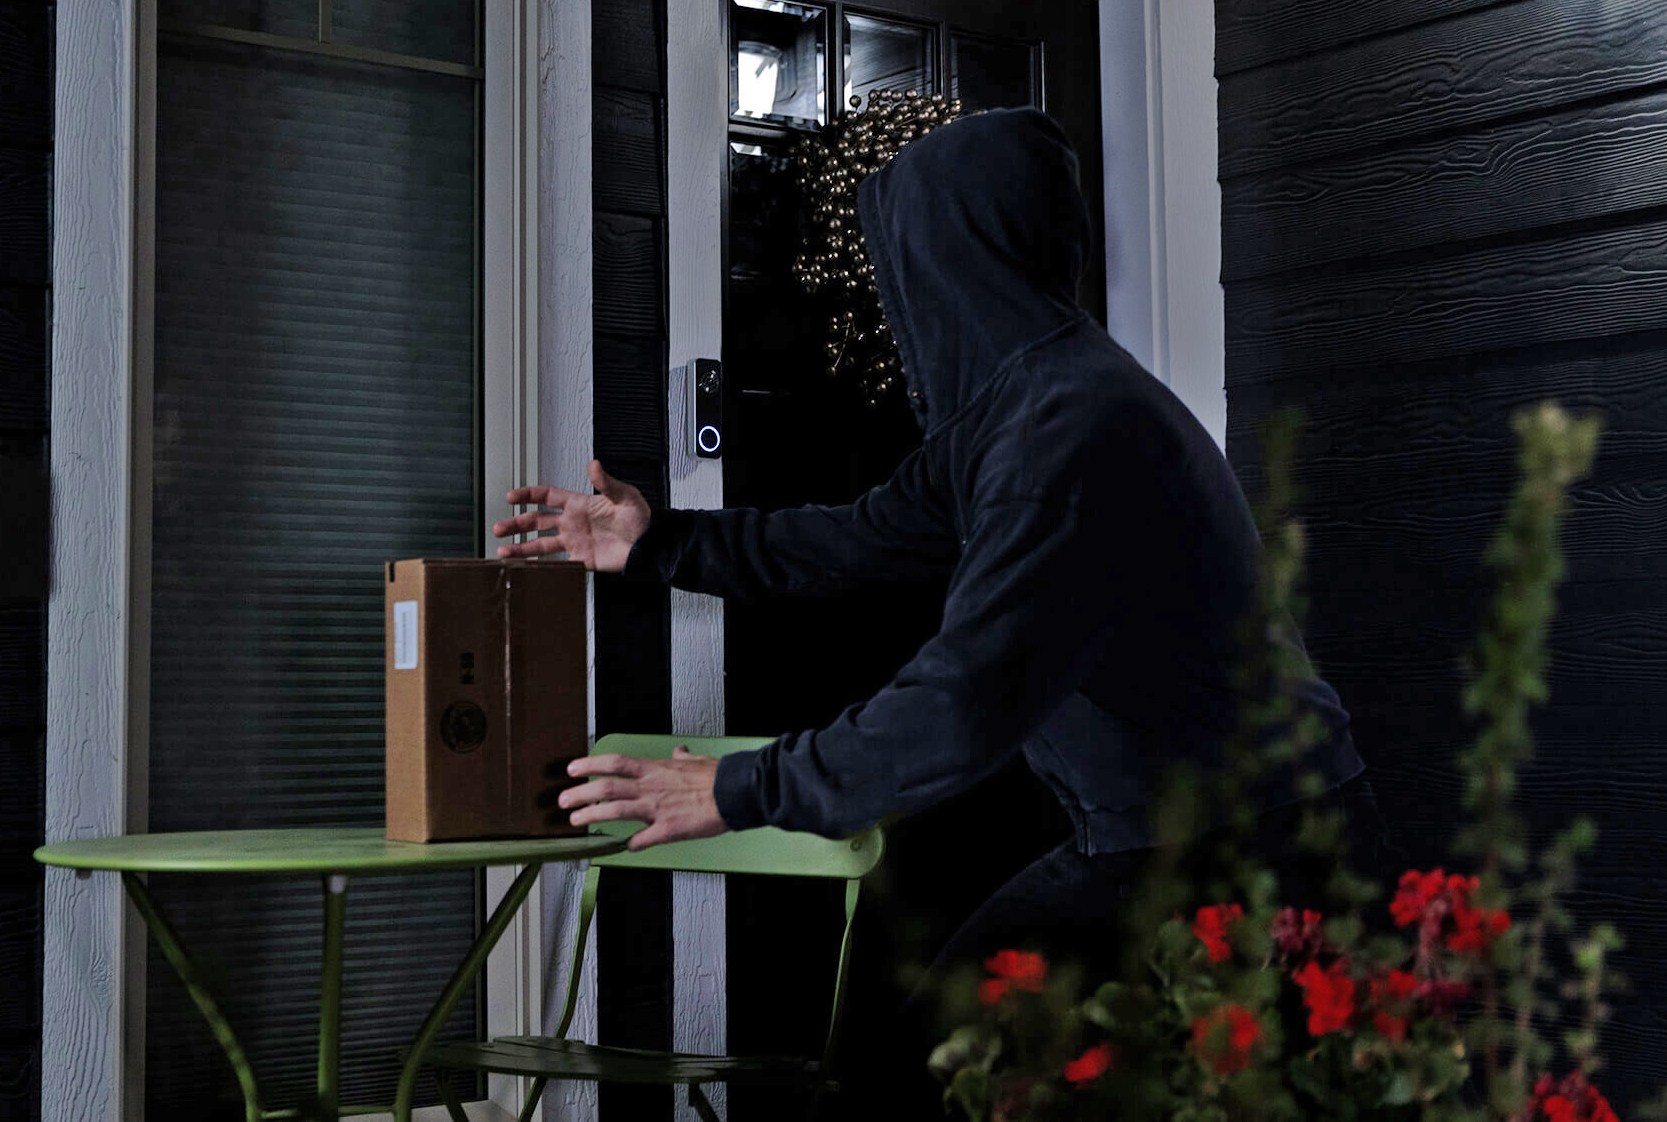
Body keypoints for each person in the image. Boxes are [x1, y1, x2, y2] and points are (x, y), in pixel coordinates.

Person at [493, 107, 1373, 1106]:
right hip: (1146, 838)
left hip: (1260, 847)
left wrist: (739, 790)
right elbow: (854, 539)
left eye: (895, 267)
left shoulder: (1069, 432)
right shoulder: (1013, 416)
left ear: (951, 260)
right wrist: (658, 544)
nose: (884, 299)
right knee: (941, 1065)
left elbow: (961, 700)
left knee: (943, 1070)